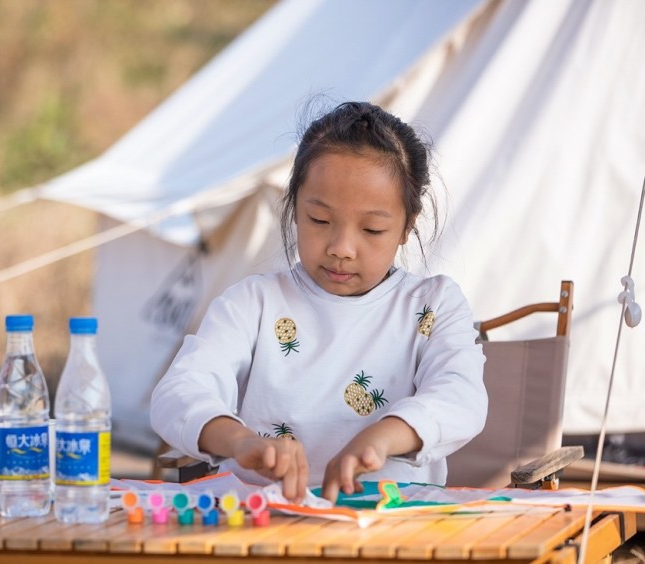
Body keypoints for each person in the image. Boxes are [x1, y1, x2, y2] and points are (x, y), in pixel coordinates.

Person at [150, 101, 487, 504]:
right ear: (295, 209)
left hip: (391, 527)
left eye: (372, 228)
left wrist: (382, 437)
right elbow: (179, 392)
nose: (341, 248)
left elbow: (461, 398)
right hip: (266, 523)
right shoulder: (254, 303)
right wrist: (240, 442)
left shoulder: (433, 306)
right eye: (320, 221)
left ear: (406, 227)